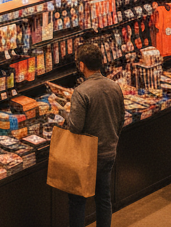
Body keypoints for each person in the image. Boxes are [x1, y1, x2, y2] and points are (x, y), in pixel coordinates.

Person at [66, 42, 124, 227]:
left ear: (81, 65)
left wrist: (63, 112)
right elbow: (120, 119)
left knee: (77, 200)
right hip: (108, 152)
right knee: (103, 198)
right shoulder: (115, 87)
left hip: (87, 156)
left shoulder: (81, 92)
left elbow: (75, 127)